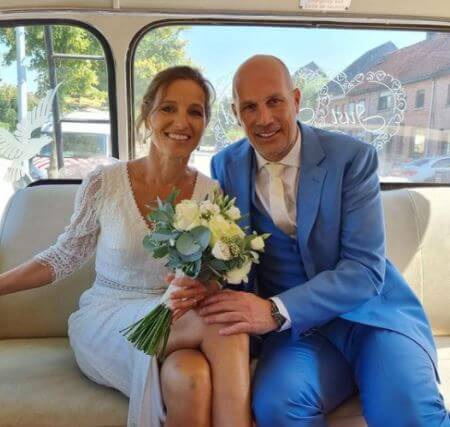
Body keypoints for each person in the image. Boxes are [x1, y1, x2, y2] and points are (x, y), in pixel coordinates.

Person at [198, 55, 450, 427]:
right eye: (250, 107)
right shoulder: (225, 165)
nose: (264, 118)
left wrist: (271, 311)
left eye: (274, 101)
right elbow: (225, 250)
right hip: (298, 334)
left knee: (409, 413)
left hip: (371, 317)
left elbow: (365, 271)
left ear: (296, 100)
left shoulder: (351, 158)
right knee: (278, 407)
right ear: (236, 114)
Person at [0, 66, 251, 427]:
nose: (181, 120)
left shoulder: (212, 194)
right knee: (228, 326)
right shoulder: (105, 183)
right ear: (147, 115)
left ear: (204, 124)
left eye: (194, 111)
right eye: (168, 108)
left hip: (174, 320)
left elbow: (213, 277)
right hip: (107, 318)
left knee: (190, 377)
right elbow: (64, 256)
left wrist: (199, 287)